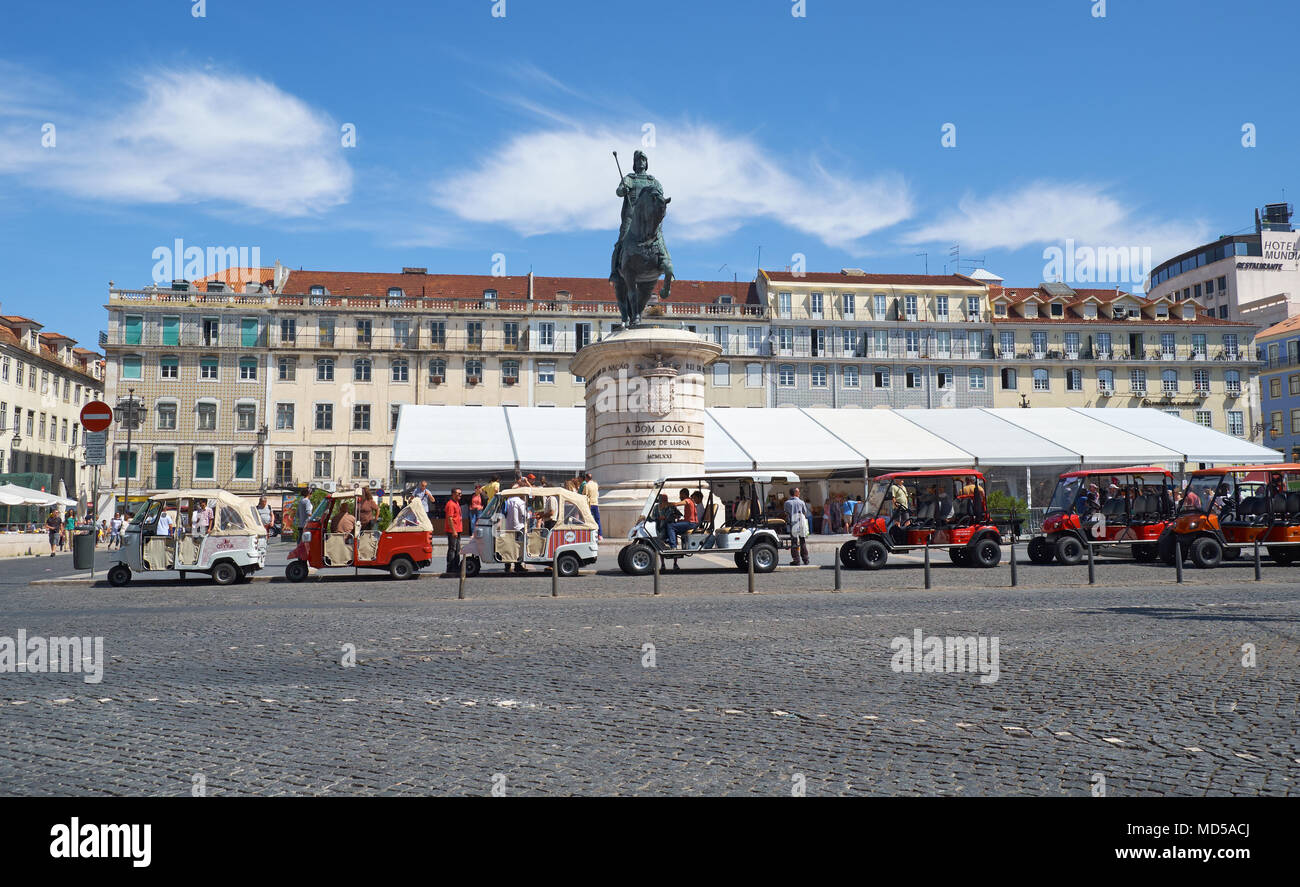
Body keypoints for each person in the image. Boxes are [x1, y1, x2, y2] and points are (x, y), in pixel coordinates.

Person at [503, 484, 530, 573]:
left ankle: (507, 565)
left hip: (508, 527)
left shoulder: (507, 501)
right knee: (519, 547)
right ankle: (518, 565)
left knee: (508, 547)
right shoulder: (519, 502)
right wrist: (529, 514)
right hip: (518, 527)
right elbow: (524, 515)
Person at [784, 486, 811, 566]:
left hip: (792, 524)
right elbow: (804, 512)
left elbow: (786, 513)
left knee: (794, 542)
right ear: (795, 493)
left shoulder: (787, 503)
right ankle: (805, 559)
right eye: (798, 492)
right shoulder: (801, 502)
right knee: (802, 541)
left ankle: (796, 560)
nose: (799, 493)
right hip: (801, 523)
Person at [444, 488, 463, 573]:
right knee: (452, 549)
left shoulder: (457, 503)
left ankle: (456, 566)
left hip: (458, 529)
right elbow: (450, 518)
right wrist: (453, 531)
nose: (460, 495)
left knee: (457, 549)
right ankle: (450, 567)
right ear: (453, 494)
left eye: (460, 493)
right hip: (453, 530)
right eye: (458, 493)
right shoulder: (450, 504)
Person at [582, 471, 602, 539]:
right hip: (595, 503)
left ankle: (590, 535)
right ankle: (600, 535)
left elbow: (584, 495)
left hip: (589, 504)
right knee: (597, 520)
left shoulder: (586, 485)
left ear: (586, 478)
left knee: (589, 521)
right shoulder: (596, 484)